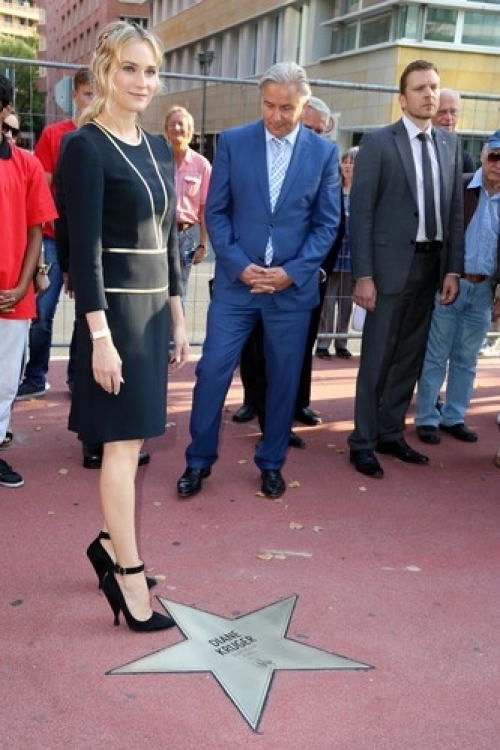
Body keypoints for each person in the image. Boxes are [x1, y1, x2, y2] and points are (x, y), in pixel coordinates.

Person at [56, 21, 188, 631]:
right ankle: (130, 581)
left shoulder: (158, 146)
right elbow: (83, 255)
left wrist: (178, 316)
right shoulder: (85, 147)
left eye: (150, 71)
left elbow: (167, 241)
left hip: (153, 316)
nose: (142, 81)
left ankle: (110, 547)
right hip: (113, 321)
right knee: (122, 446)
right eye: (129, 68)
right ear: (105, 71)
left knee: (133, 443)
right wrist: (100, 339)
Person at [177, 62, 340, 500]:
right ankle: (198, 460)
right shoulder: (233, 142)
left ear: (303, 105)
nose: (276, 115)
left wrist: (292, 272)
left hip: (291, 290)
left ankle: (271, 462)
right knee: (212, 370)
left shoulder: (323, 154)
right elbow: (216, 211)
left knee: (284, 379)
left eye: (286, 108)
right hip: (238, 286)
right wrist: (237, 264)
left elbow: (327, 224)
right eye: (269, 105)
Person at [347, 59, 464, 479]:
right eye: (419, 88)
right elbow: (361, 214)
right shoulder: (379, 143)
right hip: (387, 270)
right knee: (377, 359)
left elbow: (454, 214)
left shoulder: (451, 145)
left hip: (432, 266)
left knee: (410, 358)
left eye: (434, 86)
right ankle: (362, 442)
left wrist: (452, 270)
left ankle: (390, 433)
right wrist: (363, 275)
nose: (429, 94)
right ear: (402, 98)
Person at [415, 130, 500, 445]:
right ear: (483, 155)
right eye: (495, 156)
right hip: (452, 284)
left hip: (484, 289)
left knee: (467, 358)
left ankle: (454, 416)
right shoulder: (460, 187)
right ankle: (427, 417)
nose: (499, 164)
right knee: (437, 354)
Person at [16, 68, 94, 402]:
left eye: (98, 94)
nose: (93, 101)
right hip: (51, 236)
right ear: (74, 96)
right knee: (41, 312)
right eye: (88, 94)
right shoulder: (54, 134)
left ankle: (77, 379)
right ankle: (35, 375)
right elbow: (43, 183)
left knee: (86, 314)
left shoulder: (104, 136)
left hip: (87, 241)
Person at [0, 74, 57, 488]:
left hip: (12, 295)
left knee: (5, 381)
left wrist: (23, 286)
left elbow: (37, 230)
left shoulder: (26, 164)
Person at [164, 105, 211, 309]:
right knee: (156, 289)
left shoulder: (202, 165)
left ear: (190, 131)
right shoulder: (156, 161)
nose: (176, 128)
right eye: (172, 124)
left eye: (181, 124)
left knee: (179, 290)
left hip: (187, 235)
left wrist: (203, 244)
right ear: (166, 130)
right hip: (160, 233)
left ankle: (176, 329)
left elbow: (205, 208)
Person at [316, 147, 358, 360]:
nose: (348, 166)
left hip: (352, 256)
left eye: (352, 162)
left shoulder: (363, 193)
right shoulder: (333, 189)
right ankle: (323, 342)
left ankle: (342, 342)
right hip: (333, 255)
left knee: (346, 303)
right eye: (345, 162)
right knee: (328, 302)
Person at [432, 88, 475, 173]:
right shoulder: (420, 152)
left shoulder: (464, 159)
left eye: (453, 112)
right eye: (442, 112)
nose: (449, 118)